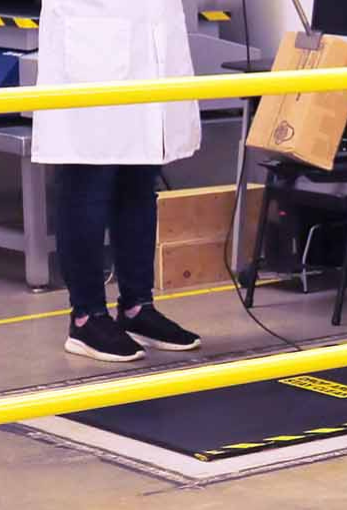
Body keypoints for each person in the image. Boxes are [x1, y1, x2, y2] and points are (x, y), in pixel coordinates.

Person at [33, 0, 204, 362]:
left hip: (148, 43)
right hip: (92, 39)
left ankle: (137, 308)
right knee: (87, 179)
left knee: (139, 181)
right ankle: (86, 317)